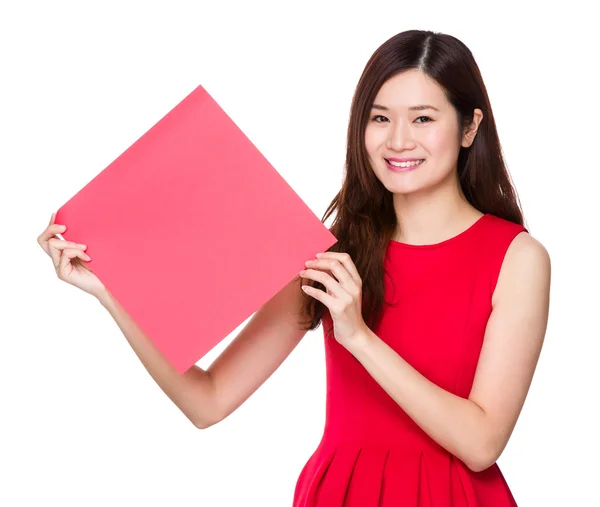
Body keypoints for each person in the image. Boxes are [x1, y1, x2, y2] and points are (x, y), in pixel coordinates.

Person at [37, 29, 551, 506]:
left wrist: (359, 336)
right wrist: (113, 294)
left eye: (422, 118)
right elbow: (208, 402)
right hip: (341, 493)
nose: (397, 141)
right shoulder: (331, 255)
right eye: (379, 117)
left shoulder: (517, 258)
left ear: (469, 127)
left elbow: (482, 443)